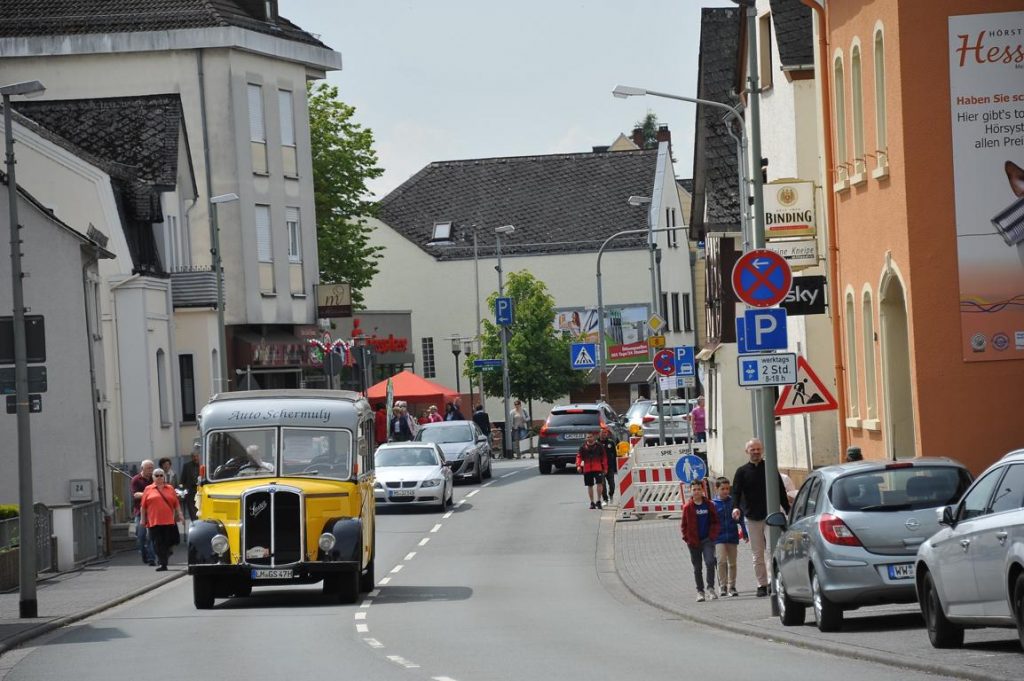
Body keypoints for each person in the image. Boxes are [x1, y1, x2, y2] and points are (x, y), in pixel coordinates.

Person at [731, 438, 791, 597]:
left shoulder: (770, 469)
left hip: (770, 517)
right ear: (747, 452)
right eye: (753, 449)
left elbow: (780, 491)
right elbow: (735, 492)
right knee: (757, 554)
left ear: (762, 450)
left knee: (772, 551)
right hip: (751, 517)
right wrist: (736, 508)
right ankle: (761, 584)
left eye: (758, 449)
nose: (756, 452)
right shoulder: (741, 471)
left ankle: (773, 582)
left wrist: (788, 510)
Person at [680, 480, 720, 602]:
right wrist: (687, 539)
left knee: (710, 562)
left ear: (702, 490)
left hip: (707, 540)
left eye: (698, 489)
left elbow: (715, 521)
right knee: (697, 567)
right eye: (694, 489)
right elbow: (684, 526)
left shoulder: (709, 505)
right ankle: (700, 591)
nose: (697, 492)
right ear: (691, 491)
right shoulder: (688, 507)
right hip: (694, 542)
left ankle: (711, 588)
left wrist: (712, 535)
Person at [138, 467, 183, 571]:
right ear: (153, 477)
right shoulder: (148, 489)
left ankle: (165, 556)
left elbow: (176, 504)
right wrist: (142, 520)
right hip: (154, 521)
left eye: (161, 475)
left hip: (168, 520)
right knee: (157, 543)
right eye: (156, 475)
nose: (159, 477)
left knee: (169, 542)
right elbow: (143, 506)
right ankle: (163, 564)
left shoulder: (170, 488)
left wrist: (180, 514)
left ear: (164, 477)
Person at [712, 476, 747, 598]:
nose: (726, 491)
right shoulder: (713, 504)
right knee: (721, 561)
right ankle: (723, 586)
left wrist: (745, 532)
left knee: (732, 563)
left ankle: (732, 586)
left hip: (732, 536)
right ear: (716, 489)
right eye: (722, 489)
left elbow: (741, 518)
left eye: (727, 488)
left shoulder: (733, 502)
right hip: (719, 537)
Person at [130, 460, 157, 566]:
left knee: (151, 536)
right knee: (140, 535)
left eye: (152, 468)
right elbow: (135, 494)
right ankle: (144, 553)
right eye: (148, 468)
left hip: (152, 511)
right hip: (139, 511)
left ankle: (151, 558)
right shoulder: (136, 480)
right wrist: (150, 493)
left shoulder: (155, 478)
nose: (151, 470)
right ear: (142, 469)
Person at [575, 432, 607, 509]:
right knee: (590, 486)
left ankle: (598, 501)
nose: (589, 438)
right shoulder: (582, 447)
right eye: (588, 437)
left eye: (590, 437)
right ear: (586, 438)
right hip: (587, 469)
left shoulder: (599, 446)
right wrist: (578, 466)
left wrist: (605, 468)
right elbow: (579, 457)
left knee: (599, 484)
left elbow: (604, 457)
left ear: (594, 437)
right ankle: (592, 502)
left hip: (598, 468)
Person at [179, 445, 201, 521]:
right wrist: (182, 493)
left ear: (199, 456)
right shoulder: (186, 466)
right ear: (191, 457)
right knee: (192, 513)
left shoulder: (203, 465)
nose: (195, 458)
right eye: (193, 456)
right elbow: (182, 480)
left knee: (200, 510)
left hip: (201, 492)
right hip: (190, 492)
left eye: (197, 456)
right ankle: (195, 525)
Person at [598, 428, 618, 503]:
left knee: (612, 484)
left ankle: (611, 494)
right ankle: (605, 499)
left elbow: (615, 455)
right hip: (600, 467)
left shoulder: (611, 443)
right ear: (599, 433)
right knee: (603, 484)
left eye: (605, 433)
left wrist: (616, 467)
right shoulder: (597, 443)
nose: (604, 434)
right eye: (602, 432)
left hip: (610, 467)